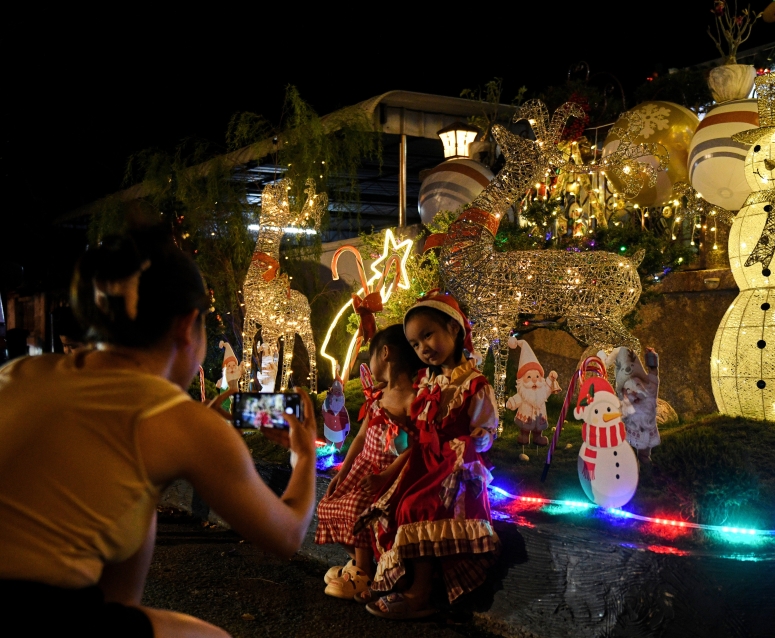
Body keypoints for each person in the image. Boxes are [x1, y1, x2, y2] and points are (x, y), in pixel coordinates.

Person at [0, 229, 317, 637]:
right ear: (188, 326)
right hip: (40, 613)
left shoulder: (19, 373)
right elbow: (287, 534)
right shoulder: (174, 418)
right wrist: (304, 456)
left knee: (141, 499)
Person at [362, 291, 499, 620]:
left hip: (455, 465)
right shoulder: (426, 383)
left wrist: (482, 438)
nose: (423, 347)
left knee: (416, 507)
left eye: (428, 335)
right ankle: (402, 581)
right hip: (425, 460)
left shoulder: (474, 384)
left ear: (453, 329)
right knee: (390, 504)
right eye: (414, 343)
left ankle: (419, 593)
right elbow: (419, 430)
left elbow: (486, 427)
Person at [316, 324, 422, 601]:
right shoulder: (378, 395)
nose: (369, 362)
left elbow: (415, 447)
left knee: (357, 510)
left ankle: (362, 571)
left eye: (370, 354)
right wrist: (344, 470)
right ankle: (361, 562)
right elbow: (362, 435)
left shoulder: (413, 399)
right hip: (365, 466)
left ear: (385, 353)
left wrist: (386, 474)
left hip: (388, 473)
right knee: (328, 503)